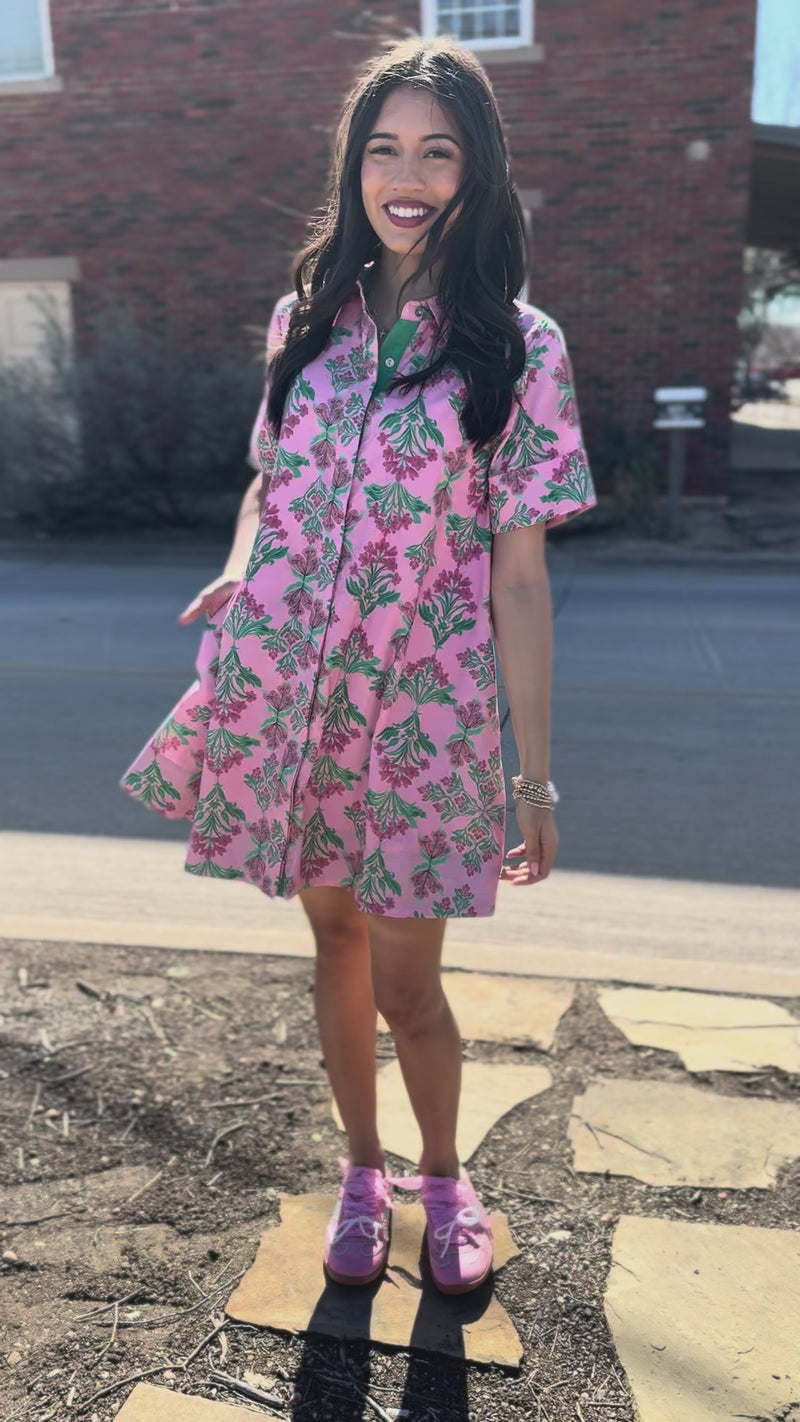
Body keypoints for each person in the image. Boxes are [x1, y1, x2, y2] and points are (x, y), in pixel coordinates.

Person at [121, 35, 596, 1297]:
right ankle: (358, 1169)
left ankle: (443, 1178)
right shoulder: (305, 320)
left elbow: (520, 578)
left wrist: (533, 784)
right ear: (353, 166)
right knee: (328, 949)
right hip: (290, 687)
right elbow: (269, 479)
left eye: (436, 151)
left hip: (422, 713)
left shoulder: (516, 347)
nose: (406, 174)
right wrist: (239, 561)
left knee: (407, 980)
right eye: (382, 147)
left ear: (474, 173)